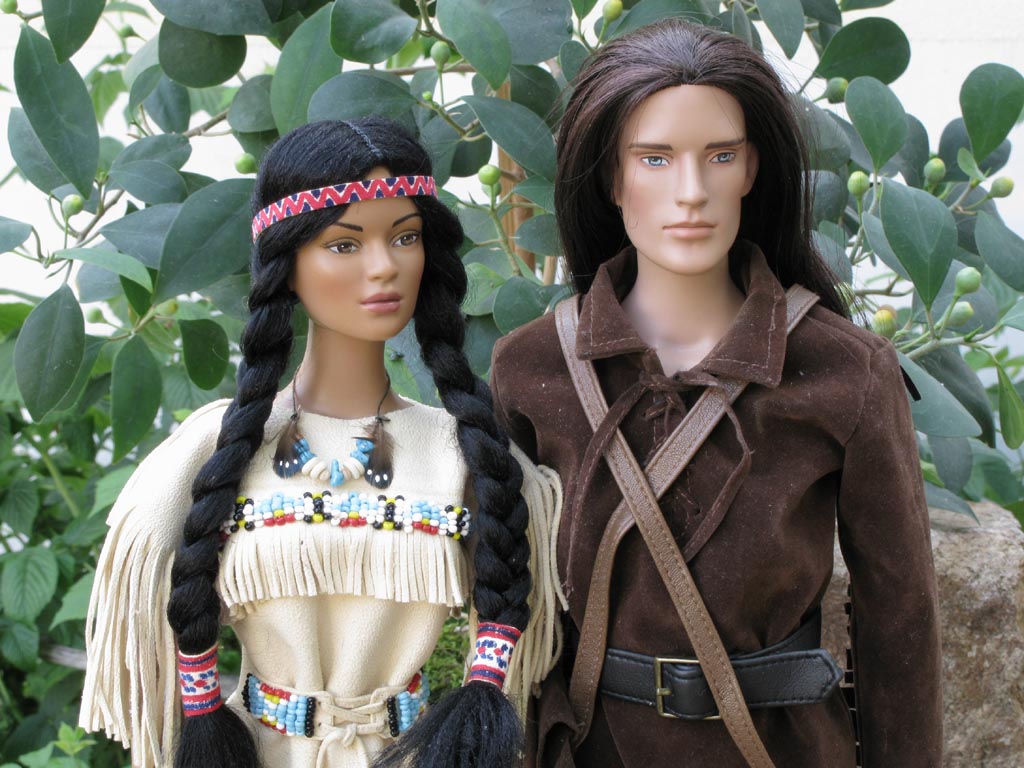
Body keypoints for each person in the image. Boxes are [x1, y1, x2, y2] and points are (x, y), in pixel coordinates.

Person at [489, 19, 942, 768]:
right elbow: (507, 608)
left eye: (720, 156)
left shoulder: (845, 372)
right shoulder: (532, 369)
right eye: (655, 158)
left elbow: (899, 623)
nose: (691, 192)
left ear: (751, 169)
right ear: (611, 176)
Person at [80, 118, 563, 768]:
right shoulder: (213, 448)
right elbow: (137, 623)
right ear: (287, 265)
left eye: (406, 237)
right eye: (344, 244)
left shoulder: (461, 449)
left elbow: (522, 628)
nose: (384, 266)